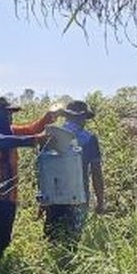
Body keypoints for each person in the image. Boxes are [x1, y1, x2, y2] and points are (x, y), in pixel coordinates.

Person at [0, 96, 57, 258]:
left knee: (3, 238)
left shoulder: (11, 131)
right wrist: (33, 140)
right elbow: (1, 141)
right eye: (7, 114)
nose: (10, 118)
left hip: (8, 197)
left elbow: (33, 129)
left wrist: (49, 116)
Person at [44, 99, 105, 243]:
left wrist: (43, 199)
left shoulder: (50, 135)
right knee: (74, 239)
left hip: (53, 195)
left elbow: (43, 168)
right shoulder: (89, 139)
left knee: (53, 237)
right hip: (79, 195)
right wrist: (100, 201)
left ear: (66, 116)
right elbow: (96, 172)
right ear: (83, 118)